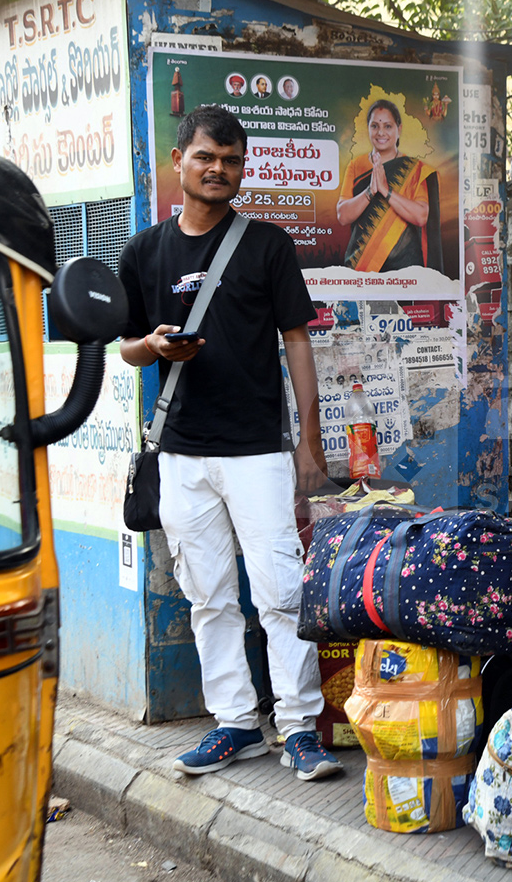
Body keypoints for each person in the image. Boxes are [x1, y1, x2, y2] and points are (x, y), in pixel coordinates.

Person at [118, 105, 342, 782]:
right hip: (182, 453)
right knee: (209, 595)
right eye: (206, 157)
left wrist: (310, 441)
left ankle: (299, 727)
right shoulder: (145, 251)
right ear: (179, 161)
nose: (219, 170)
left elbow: (297, 341)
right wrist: (152, 345)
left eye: (232, 160)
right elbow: (127, 347)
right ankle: (236, 725)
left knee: (278, 592)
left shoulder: (267, 244)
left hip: (257, 452)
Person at [335, 99, 440, 273]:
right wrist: (370, 191)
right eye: (375, 126)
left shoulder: (414, 169)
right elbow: (343, 216)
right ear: (368, 129)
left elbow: (421, 216)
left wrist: (386, 191)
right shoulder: (356, 165)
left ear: (399, 129)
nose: (381, 132)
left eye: (388, 126)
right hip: (363, 267)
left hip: (406, 268)